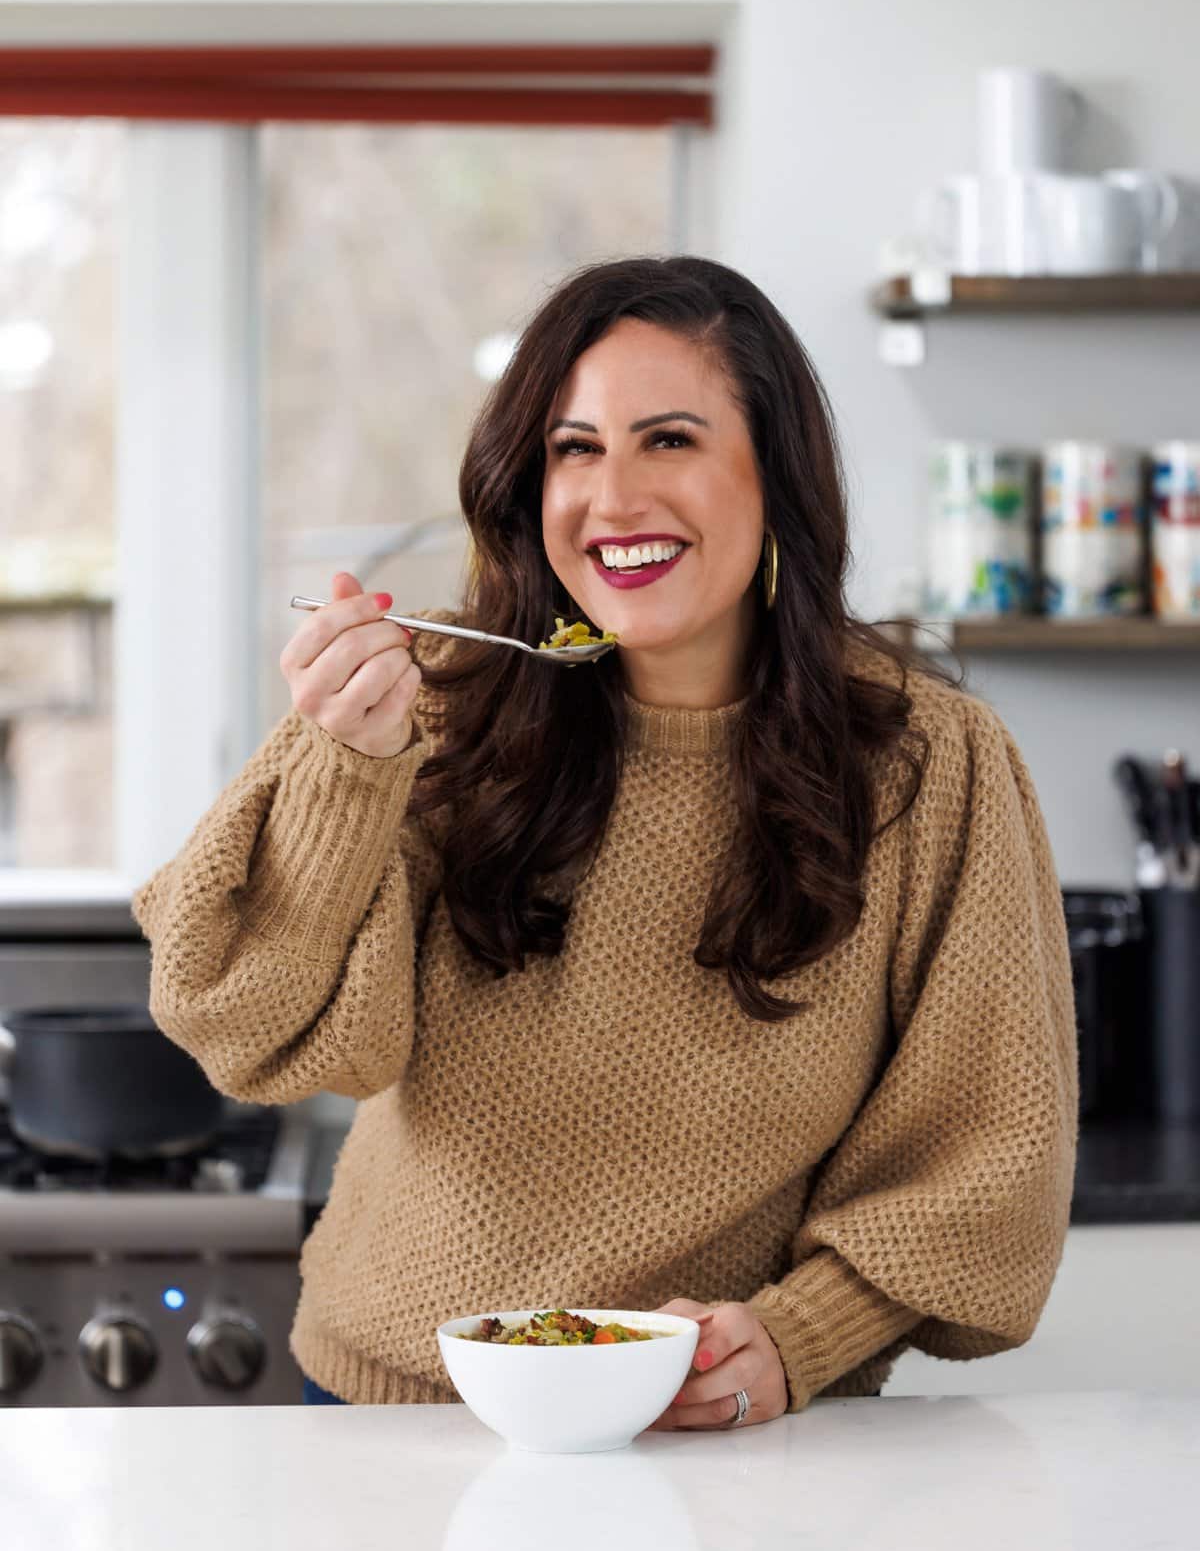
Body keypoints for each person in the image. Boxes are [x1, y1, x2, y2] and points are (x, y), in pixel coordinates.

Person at [131, 255, 1078, 1427]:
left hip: (715, 1422)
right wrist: (346, 773)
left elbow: (989, 1146)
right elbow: (244, 1023)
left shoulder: (933, 761)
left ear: (775, 477)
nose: (612, 497)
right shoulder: (427, 710)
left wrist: (802, 1335)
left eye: (668, 439)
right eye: (574, 449)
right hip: (393, 1413)